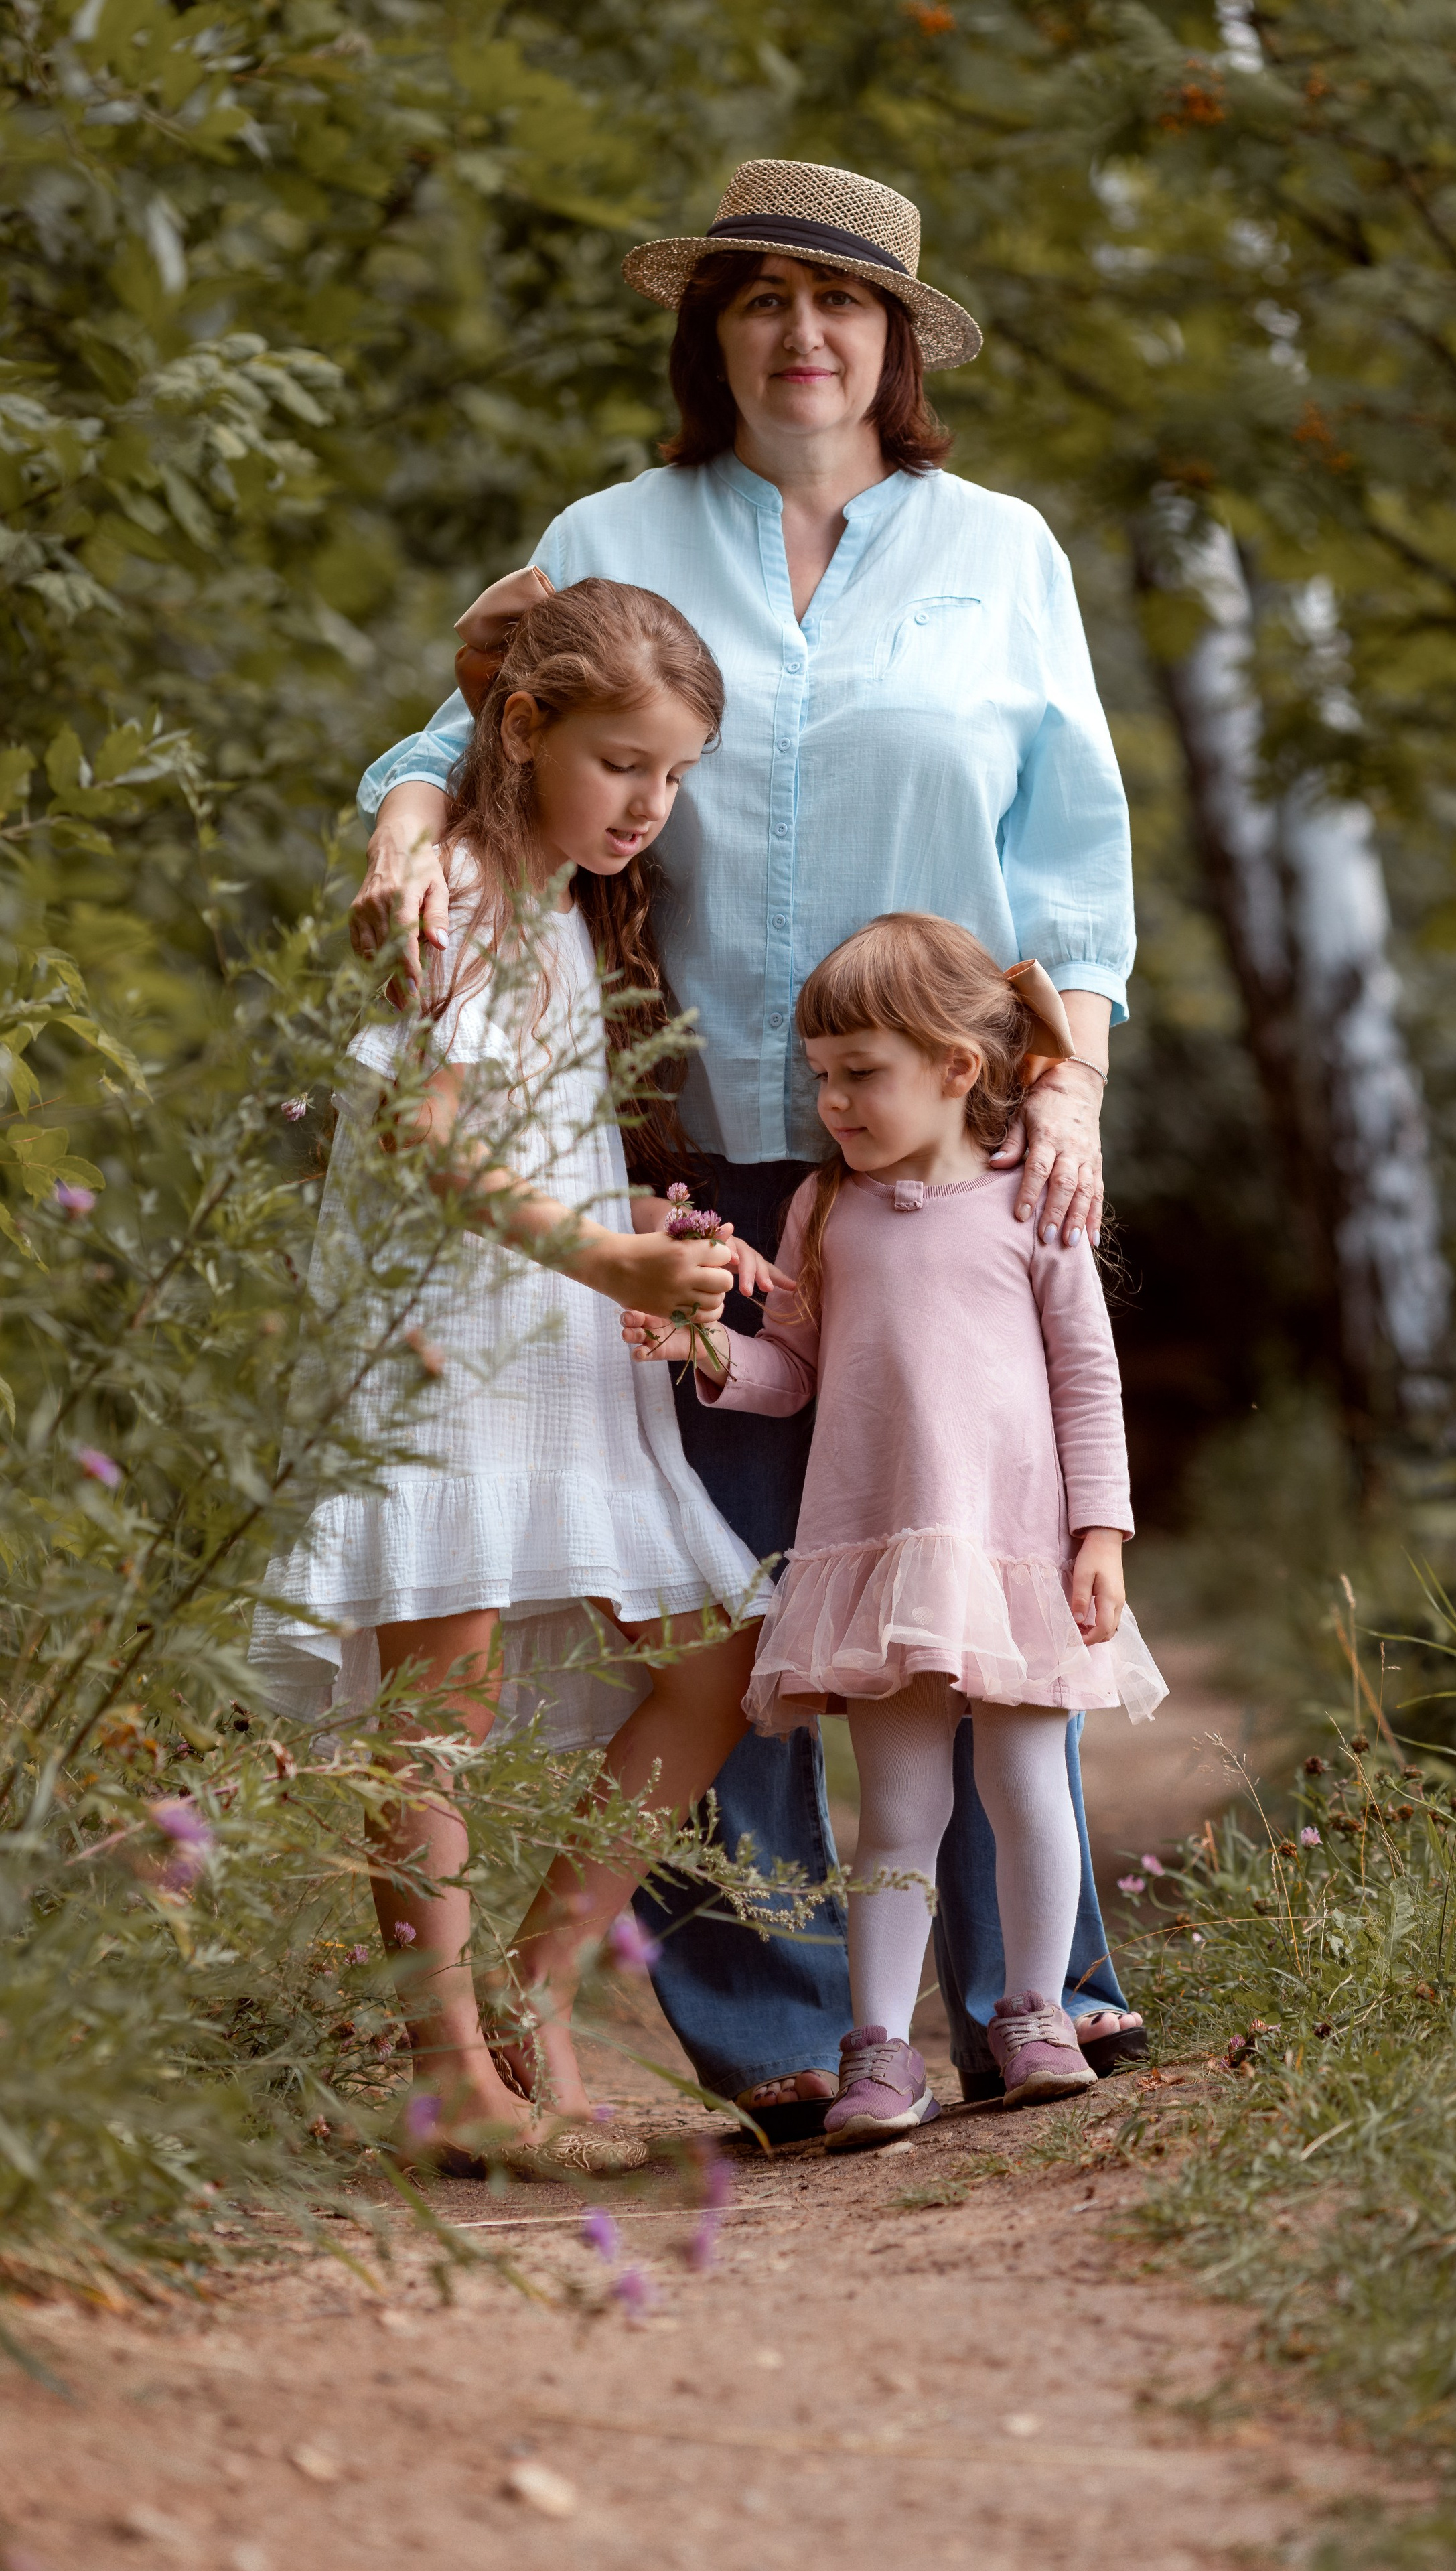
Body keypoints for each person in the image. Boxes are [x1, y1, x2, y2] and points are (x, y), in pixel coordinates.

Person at [348, 157, 1148, 2133]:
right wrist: (401, 826)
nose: (804, 333)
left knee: (978, 1545)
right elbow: (463, 737)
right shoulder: (611, 534)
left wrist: (1067, 1087)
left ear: (897, 340)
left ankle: (1033, 1992)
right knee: (740, 1588)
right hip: (682, 1149)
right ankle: (786, 2026)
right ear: (711, 331)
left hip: (941, 1150)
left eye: (841, 301)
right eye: (763, 297)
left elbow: (1075, 866)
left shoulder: (1001, 552)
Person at [250, 579, 780, 2172]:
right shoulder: (466, 892)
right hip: (442, 1341)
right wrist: (604, 1256)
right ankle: (451, 2081)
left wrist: (647, 1230)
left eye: (675, 774)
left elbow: (531, 1137)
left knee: (713, 1664)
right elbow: (428, 1147)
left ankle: (533, 1992)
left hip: (547, 1339)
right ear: (524, 727)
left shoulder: (557, 899)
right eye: (624, 763)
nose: (650, 803)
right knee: (442, 1703)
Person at [623, 916, 1165, 2146]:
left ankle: (1036, 2010)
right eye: (821, 1074)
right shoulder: (825, 1210)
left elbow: (1089, 1378)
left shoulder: (1033, 1199)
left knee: (1026, 1786)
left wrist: (1102, 1532)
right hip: (879, 1561)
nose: (833, 1102)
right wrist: (707, 1346)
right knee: (901, 1807)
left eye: (859, 1073)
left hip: (1015, 1556)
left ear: (958, 1067)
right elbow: (794, 1372)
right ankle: (879, 2049)